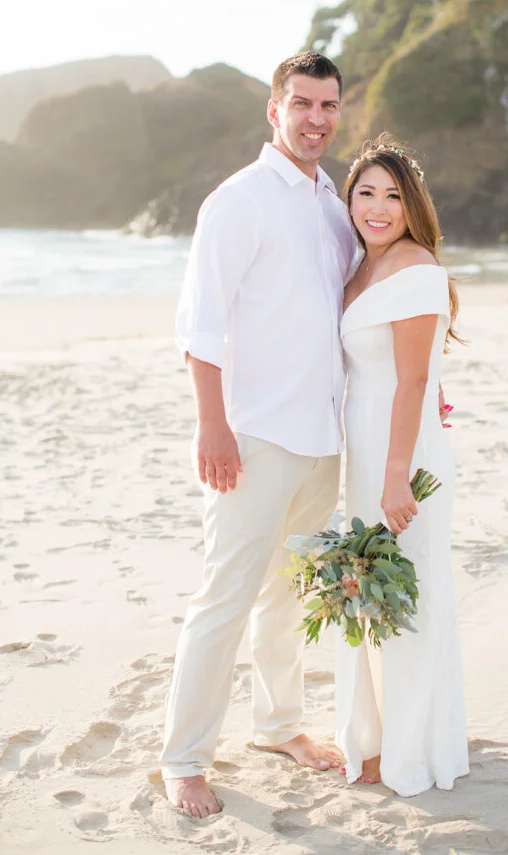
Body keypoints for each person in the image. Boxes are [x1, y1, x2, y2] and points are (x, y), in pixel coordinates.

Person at [160, 51, 358, 818]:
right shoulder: (237, 200)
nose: (316, 118)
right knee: (225, 598)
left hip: (321, 436)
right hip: (254, 435)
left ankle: (278, 726)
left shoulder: (334, 204)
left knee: (289, 594)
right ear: (274, 110)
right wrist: (212, 426)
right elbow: (201, 326)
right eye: (302, 103)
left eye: (328, 105)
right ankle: (184, 759)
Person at [335, 133, 469, 796]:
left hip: (402, 456)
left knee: (407, 593)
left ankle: (412, 750)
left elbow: (413, 381)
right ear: (349, 202)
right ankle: (374, 739)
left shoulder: (416, 268)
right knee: (368, 592)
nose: (378, 208)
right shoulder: (358, 268)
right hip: (364, 448)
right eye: (366, 194)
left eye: (393, 196)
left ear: (411, 204)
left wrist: (395, 478)